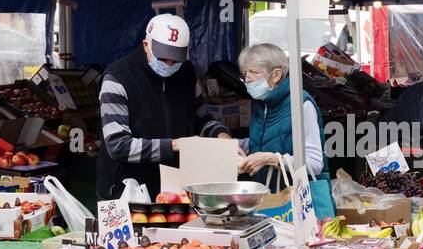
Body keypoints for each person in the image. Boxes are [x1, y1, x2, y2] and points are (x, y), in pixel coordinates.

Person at [97, 14, 232, 201]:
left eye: (176, 60)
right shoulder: (117, 78)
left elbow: (202, 119)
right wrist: (176, 145)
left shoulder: (186, 73)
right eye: (163, 58)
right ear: (146, 45)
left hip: (175, 189)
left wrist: (221, 136)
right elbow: (117, 145)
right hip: (127, 190)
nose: (169, 65)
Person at [237, 43, 327, 190]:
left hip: (300, 200)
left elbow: (315, 163)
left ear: (276, 75)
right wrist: (235, 146)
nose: (247, 79)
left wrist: (272, 159)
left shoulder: (301, 104)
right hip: (269, 198)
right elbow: (268, 140)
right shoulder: (261, 105)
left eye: (253, 72)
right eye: (245, 73)